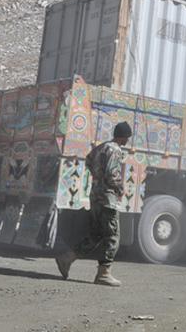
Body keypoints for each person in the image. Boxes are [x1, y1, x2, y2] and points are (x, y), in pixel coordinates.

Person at [55, 121, 131, 286]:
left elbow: (89, 161)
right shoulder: (115, 150)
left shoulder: (101, 147)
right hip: (108, 199)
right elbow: (112, 174)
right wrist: (119, 188)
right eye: (127, 137)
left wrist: (97, 177)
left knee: (96, 234)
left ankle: (66, 258)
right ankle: (104, 273)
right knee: (112, 236)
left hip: (95, 196)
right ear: (124, 137)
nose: (127, 141)